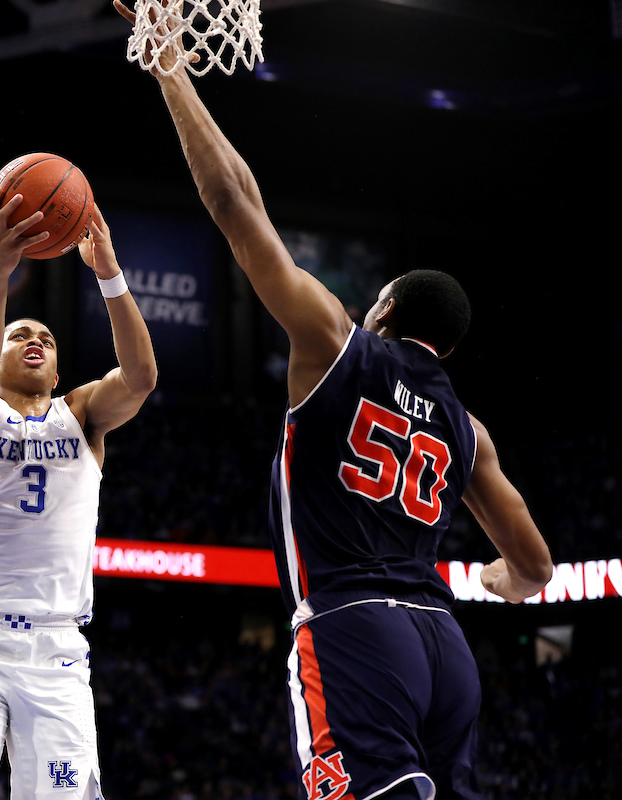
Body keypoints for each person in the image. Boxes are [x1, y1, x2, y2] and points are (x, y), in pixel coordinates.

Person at [113, 2, 554, 797]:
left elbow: (235, 203)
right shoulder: (470, 430)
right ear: (445, 346)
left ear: (382, 309)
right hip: (445, 651)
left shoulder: (335, 341)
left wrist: (171, 71)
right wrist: (493, 583)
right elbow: (535, 567)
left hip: (354, 627)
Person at [0, 189, 158, 800]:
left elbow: (141, 377)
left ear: (61, 370)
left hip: (58, 651)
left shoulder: (84, 415)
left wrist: (111, 276)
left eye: (45, 336)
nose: (34, 339)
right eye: (19, 335)